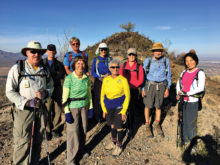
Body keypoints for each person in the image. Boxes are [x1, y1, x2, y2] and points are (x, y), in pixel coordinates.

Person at [6, 41, 54, 165]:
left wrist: (46, 93)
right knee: (23, 142)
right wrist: (26, 102)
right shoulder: (18, 68)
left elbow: (51, 86)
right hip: (24, 112)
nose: (36, 54)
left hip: (40, 110)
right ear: (27, 52)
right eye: (33, 51)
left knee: (37, 141)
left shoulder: (45, 69)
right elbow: (9, 92)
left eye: (39, 52)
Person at [62, 56, 93, 165]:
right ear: (74, 65)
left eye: (82, 63)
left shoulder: (86, 78)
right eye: (78, 63)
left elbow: (89, 94)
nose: (80, 66)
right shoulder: (69, 78)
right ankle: (70, 159)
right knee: (73, 132)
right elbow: (64, 98)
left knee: (83, 130)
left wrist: (91, 108)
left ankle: (81, 150)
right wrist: (67, 112)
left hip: (84, 106)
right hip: (72, 107)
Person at [101, 59, 130, 156]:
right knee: (112, 125)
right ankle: (113, 142)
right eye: (113, 67)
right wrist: (104, 109)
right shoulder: (106, 79)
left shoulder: (123, 80)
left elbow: (127, 96)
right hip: (109, 107)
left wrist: (124, 111)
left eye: (117, 67)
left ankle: (119, 145)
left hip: (119, 106)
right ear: (109, 68)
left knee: (119, 126)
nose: (115, 69)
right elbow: (102, 95)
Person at [176, 52, 205, 150]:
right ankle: (184, 140)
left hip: (193, 102)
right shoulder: (184, 72)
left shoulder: (200, 73)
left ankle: (193, 145)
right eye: (186, 61)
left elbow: (200, 88)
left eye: (191, 60)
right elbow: (178, 84)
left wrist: (186, 93)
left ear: (195, 61)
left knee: (191, 123)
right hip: (182, 101)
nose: (189, 63)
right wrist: (178, 93)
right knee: (183, 121)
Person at [142, 42, 171, 138]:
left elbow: (168, 75)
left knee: (158, 106)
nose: (158, 52)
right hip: (150, 85)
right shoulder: (148, 60)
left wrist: (168, 88)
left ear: (162, 51)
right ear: (153, 51)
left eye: (160, 50)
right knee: (148, 105)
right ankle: (147, 125)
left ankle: (157, 124)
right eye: (156, 50)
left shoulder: (166, 61)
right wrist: (143, 88)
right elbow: (143, 75)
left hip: (162, 85)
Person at [119, 48, 144, 137]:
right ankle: (122, 125)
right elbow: (120, 76)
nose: (131, 56)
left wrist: (132, 85)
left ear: (136, 56)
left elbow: (141, 80)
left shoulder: (139, 67)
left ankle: (130, 128)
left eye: (133, 54)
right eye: (130, 54)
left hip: (133, 90)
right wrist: (125, 86)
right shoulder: (123, 65)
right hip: (123, 91)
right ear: (127, 55)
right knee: (123, 109)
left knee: (132, 109)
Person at [44, 44, 65, 139]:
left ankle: (55, 129)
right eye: (49, 50)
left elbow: (61, 74)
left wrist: (51, 79)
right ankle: (47, 130)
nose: (51, 52)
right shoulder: (42, 63)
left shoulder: (59, 64)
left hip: (57, 88)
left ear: (55, 52)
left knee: (57, 109)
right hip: (46, 89)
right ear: (46, 51)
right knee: (47, 109)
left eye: (53, 50)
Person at [91, 43, 112, 122]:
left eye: (105, 49)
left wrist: (108, 75)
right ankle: (97, 115)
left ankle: (106, 115)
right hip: (98, 81)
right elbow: (92, 72)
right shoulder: (96, 59)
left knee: (107, 98)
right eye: (101, 49)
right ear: (99, 50)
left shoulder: (109, 59)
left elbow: (112, 69)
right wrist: (99, 77)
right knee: (97, 98)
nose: (103, 51)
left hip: (108, 80)